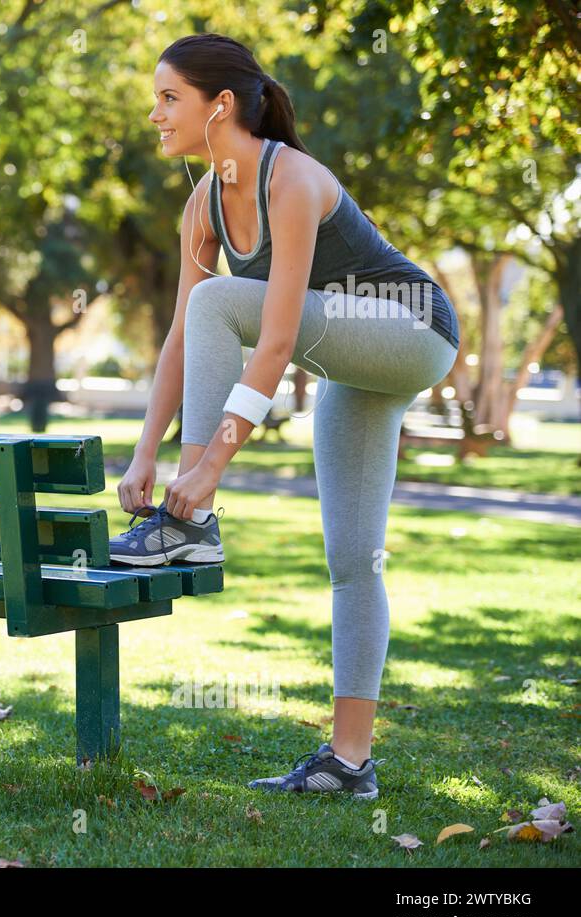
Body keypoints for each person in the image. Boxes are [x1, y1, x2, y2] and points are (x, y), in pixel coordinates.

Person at [110, 33, 460, 799]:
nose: (155, 113)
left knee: (216, 300)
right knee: (354, 560)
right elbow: (181, 337)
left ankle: (190, 522)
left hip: (412, 328)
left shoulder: (291, 180)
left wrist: (205, 472)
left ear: (220, 105)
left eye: (170, 97)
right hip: (347, 357)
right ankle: (350, 762)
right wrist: (144, 452)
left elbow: (271, 343)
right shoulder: (202, 203)